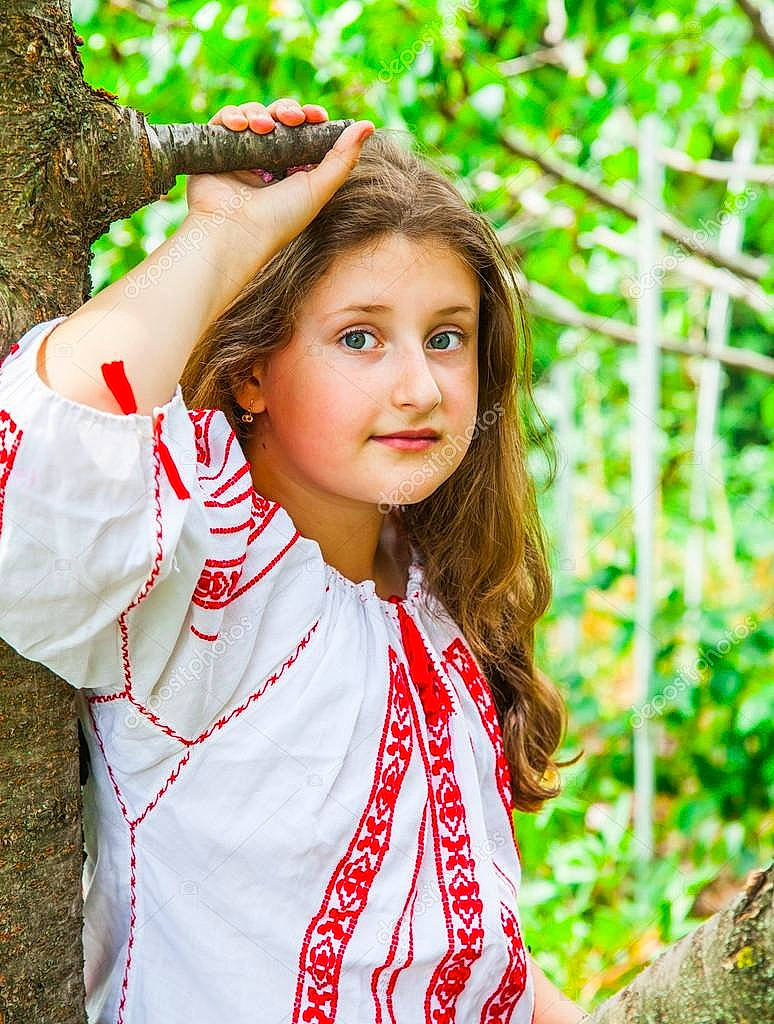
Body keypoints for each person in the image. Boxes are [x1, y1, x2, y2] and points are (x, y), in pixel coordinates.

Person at [0, 98, 587, 1023]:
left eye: (448, 336)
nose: (420, 385)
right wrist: (224, 238)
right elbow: (40, 469)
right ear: (251, 372)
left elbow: (461, 946)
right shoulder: (203, 575)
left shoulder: (436, 594)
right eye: (360, 337)